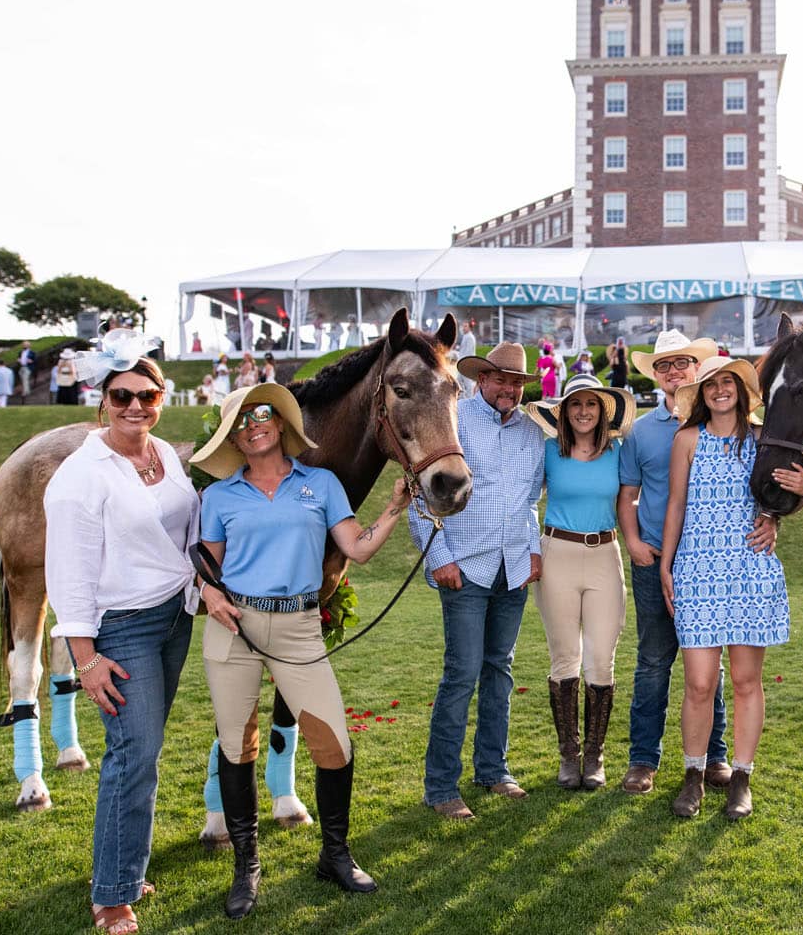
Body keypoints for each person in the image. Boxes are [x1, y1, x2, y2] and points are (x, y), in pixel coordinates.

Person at [191, 384, 409, 918]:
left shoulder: (322, 483)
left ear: (281, 425)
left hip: (298, 626)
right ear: (232, 438)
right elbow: (205, 568)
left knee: (334, 742)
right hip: (234, 628)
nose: (254, 425)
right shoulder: (219, 495)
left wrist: (394, 508)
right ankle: (247, 866)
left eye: (262, 415)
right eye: (241, 421)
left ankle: (334, 855)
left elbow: (355, 547)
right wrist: (208, 594)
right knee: (235, 744)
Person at [42, 331, 196, 935]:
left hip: (174, 617)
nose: (135, 406)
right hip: (120, 629)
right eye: (122, 395)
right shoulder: (82, 474)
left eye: (147, 395)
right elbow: (69, 575)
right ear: (102, 400)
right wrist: (87, 659)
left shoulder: (166, 454)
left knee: (145, 750)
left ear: (162, 398)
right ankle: (111, 895)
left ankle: (126, 870)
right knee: (133, 756)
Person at [618, 330, 770, 796]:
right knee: (654, 661)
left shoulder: (753, 433)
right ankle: (645, 759)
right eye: (663, 365)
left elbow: (771, 489)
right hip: (663, 558)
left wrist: (775, 519)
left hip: (729, 561)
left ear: (695, 370)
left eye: (681, 363)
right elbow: (631, 495)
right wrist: (637, 545)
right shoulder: (645, 430)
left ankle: (717, 759)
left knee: (714, 671)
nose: (672, 371)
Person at [409, 342, 545, 820]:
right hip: (464, 567)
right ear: (480, 379)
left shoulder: (533, 432)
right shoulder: (454, 419)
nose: (508, 388)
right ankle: (441, 785)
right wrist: (439, 557)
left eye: (515, 382)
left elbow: (530, 501)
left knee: (500, 671)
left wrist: (534, 550)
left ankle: (493, 769)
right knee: (461, 674)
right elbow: (419, 498)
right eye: (499, 379)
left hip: (513, 569)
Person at [661, 357, 788, 820]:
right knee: (698, 682)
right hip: (697, 569)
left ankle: (741, 777)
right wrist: (667, 565)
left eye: (727, 382)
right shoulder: (686, 439)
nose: (719, 391)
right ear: (700, 393)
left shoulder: (760, 440)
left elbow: (785, 493)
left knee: (745, 680)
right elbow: (676, 504)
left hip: (749, 569)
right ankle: (693, 775)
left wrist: (774, 519)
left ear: (741, 388)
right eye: (710, 384)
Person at [524, 374, 636, 790]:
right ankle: (569, 756)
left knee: (601, 659)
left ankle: (595, 755)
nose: (584, 412)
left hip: (605, 554)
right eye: (575, 405)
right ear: (564, 412)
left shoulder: (618, 453)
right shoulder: (549, 451)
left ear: (603, 411)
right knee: (565, 657)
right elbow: (525, 501)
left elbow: (631, 499)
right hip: (558, 555)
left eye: (591, 404)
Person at [455, 318, 478, 398]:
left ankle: (470, 398)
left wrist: (462, 362)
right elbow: (463, 350)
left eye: (465, 326)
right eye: (463, 326)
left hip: (466, 364)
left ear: (469, 327)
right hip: (462, 363)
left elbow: (468, 353)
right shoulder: (466, 336)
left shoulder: (470, 337)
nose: (463, 328)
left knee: (468, 383)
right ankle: (462, 399)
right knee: (459, 381)